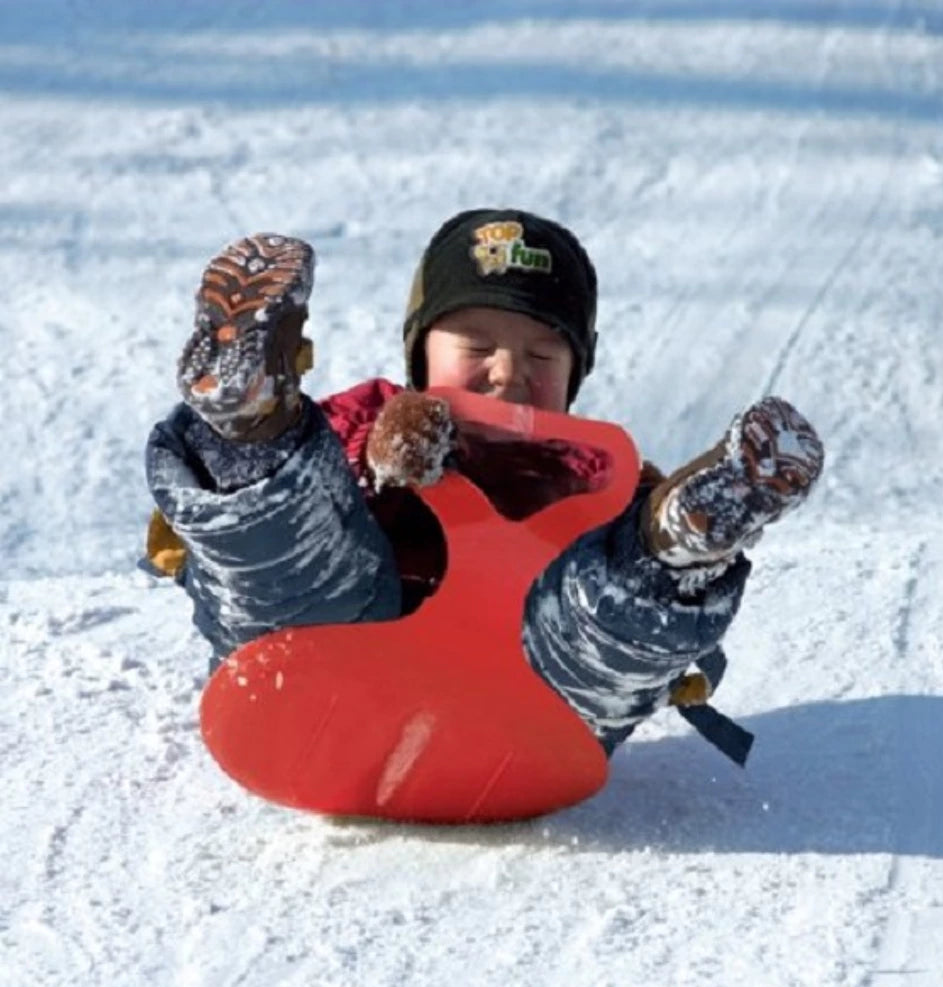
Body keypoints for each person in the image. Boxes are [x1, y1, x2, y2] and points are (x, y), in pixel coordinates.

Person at [144, 210, 824, 756]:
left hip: (519, 720)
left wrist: (665, 587)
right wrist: (380, 463)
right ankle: (251, 424)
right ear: (421, 353)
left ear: (575, 372)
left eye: (542, 353)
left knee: (598, 613)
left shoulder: (596, 476)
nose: (507, 371)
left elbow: (687, 663)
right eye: (475, 346)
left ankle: (676, 548)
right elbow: (310, 502)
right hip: (321, 681)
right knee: (295, 560)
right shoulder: (365, 417)